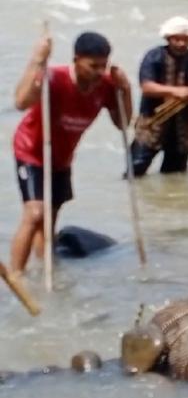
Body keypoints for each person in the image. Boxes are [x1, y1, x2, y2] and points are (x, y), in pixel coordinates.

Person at [9, 31, 132, 275]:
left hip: (62, 158)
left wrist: (125, 89)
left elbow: (123, 123)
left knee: (49, 220)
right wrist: (37, 60)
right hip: (32, 150)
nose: (99, 72)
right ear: (76, 60)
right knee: (35, 213)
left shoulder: (107, 86)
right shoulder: (54, 78)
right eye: (93, 66)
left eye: (103, 65)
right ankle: (16, 276)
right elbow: (21, 102)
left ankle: (46, 270)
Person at [131, 16, 188, 176]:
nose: (182, 43)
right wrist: (177, 92)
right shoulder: (154, 57)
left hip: (182, 126)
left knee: (175, 175)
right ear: (168, 38)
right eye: (177, 39)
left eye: (186, 40)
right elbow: (146, 87)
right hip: (152, 122)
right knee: (136, 169)